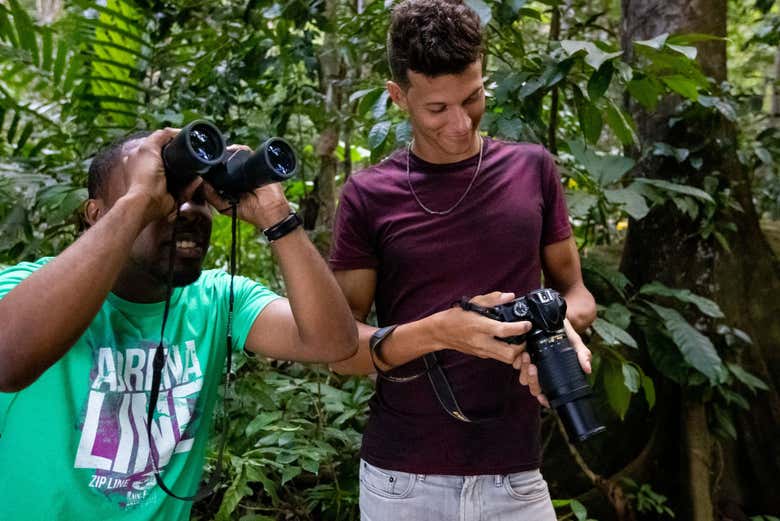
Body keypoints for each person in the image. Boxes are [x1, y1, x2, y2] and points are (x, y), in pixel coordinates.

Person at [0, 128, 358, 520]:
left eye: (198, 199)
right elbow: (8, 359)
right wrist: (139, 201)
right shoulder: (26, 288)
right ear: (96, 213)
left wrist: (277, 218)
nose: (186, 213)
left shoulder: (217, 299)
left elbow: (333, 343)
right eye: (163, 198)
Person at [329, 1, 597, 519]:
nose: (460, 123)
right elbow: (342, 351)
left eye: (472, 98)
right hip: (402, 479)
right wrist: (445, 331)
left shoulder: (532, 169)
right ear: (398, 97)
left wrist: (556, 327)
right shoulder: (368, 195)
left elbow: (578, 295)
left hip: (515, 473)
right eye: (437, 109)